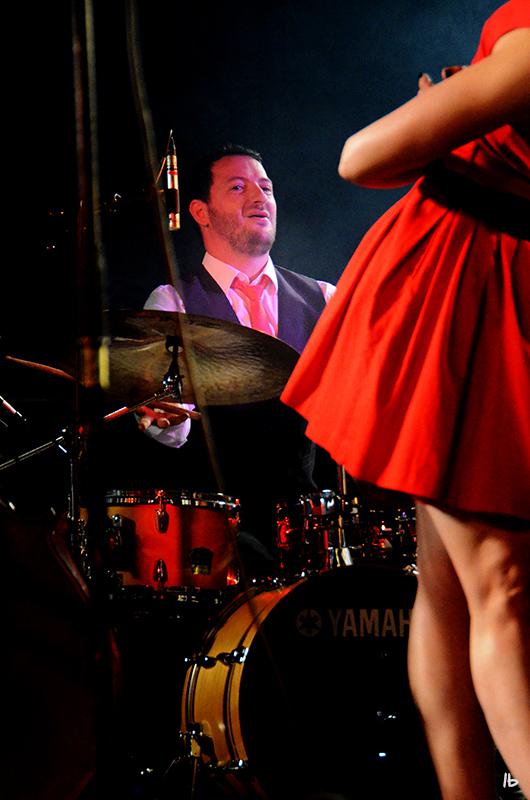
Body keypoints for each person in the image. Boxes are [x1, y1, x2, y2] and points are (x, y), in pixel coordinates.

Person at [281, 2, 530, 799]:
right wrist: (448, 117)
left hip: (500, 289)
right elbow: (361, 158)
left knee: (451, 589)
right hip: (459, 290)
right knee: (503, 584)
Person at [137, 143, 336, 575]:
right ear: (201, 212)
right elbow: (169, 434)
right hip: (216, 545)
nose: (259, 197)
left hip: (309, 539)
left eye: (266, 187)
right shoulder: (172, 303)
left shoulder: (324, 298)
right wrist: (161, 419)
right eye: (238, 187)